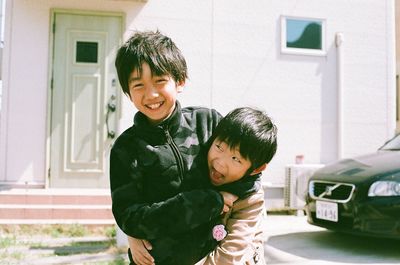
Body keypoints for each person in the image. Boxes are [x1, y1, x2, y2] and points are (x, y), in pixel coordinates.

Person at [110, 30, 236, 265]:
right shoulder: (125, 149)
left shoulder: (208, 123)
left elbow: (244, 170)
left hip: (217, 257)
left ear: (180, 81)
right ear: (128, 92)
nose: (151, 94)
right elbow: (130, 216)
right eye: (138, 85)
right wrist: (208, 202)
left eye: (159, 81)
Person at [129, 107, 278, 265]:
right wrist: (134, 232)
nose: (220, 163)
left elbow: (228, 256)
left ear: (256, 169)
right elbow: (155, 204)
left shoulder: (250, 198)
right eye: (219, 147)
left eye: (236, 158)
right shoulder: (195, 165)